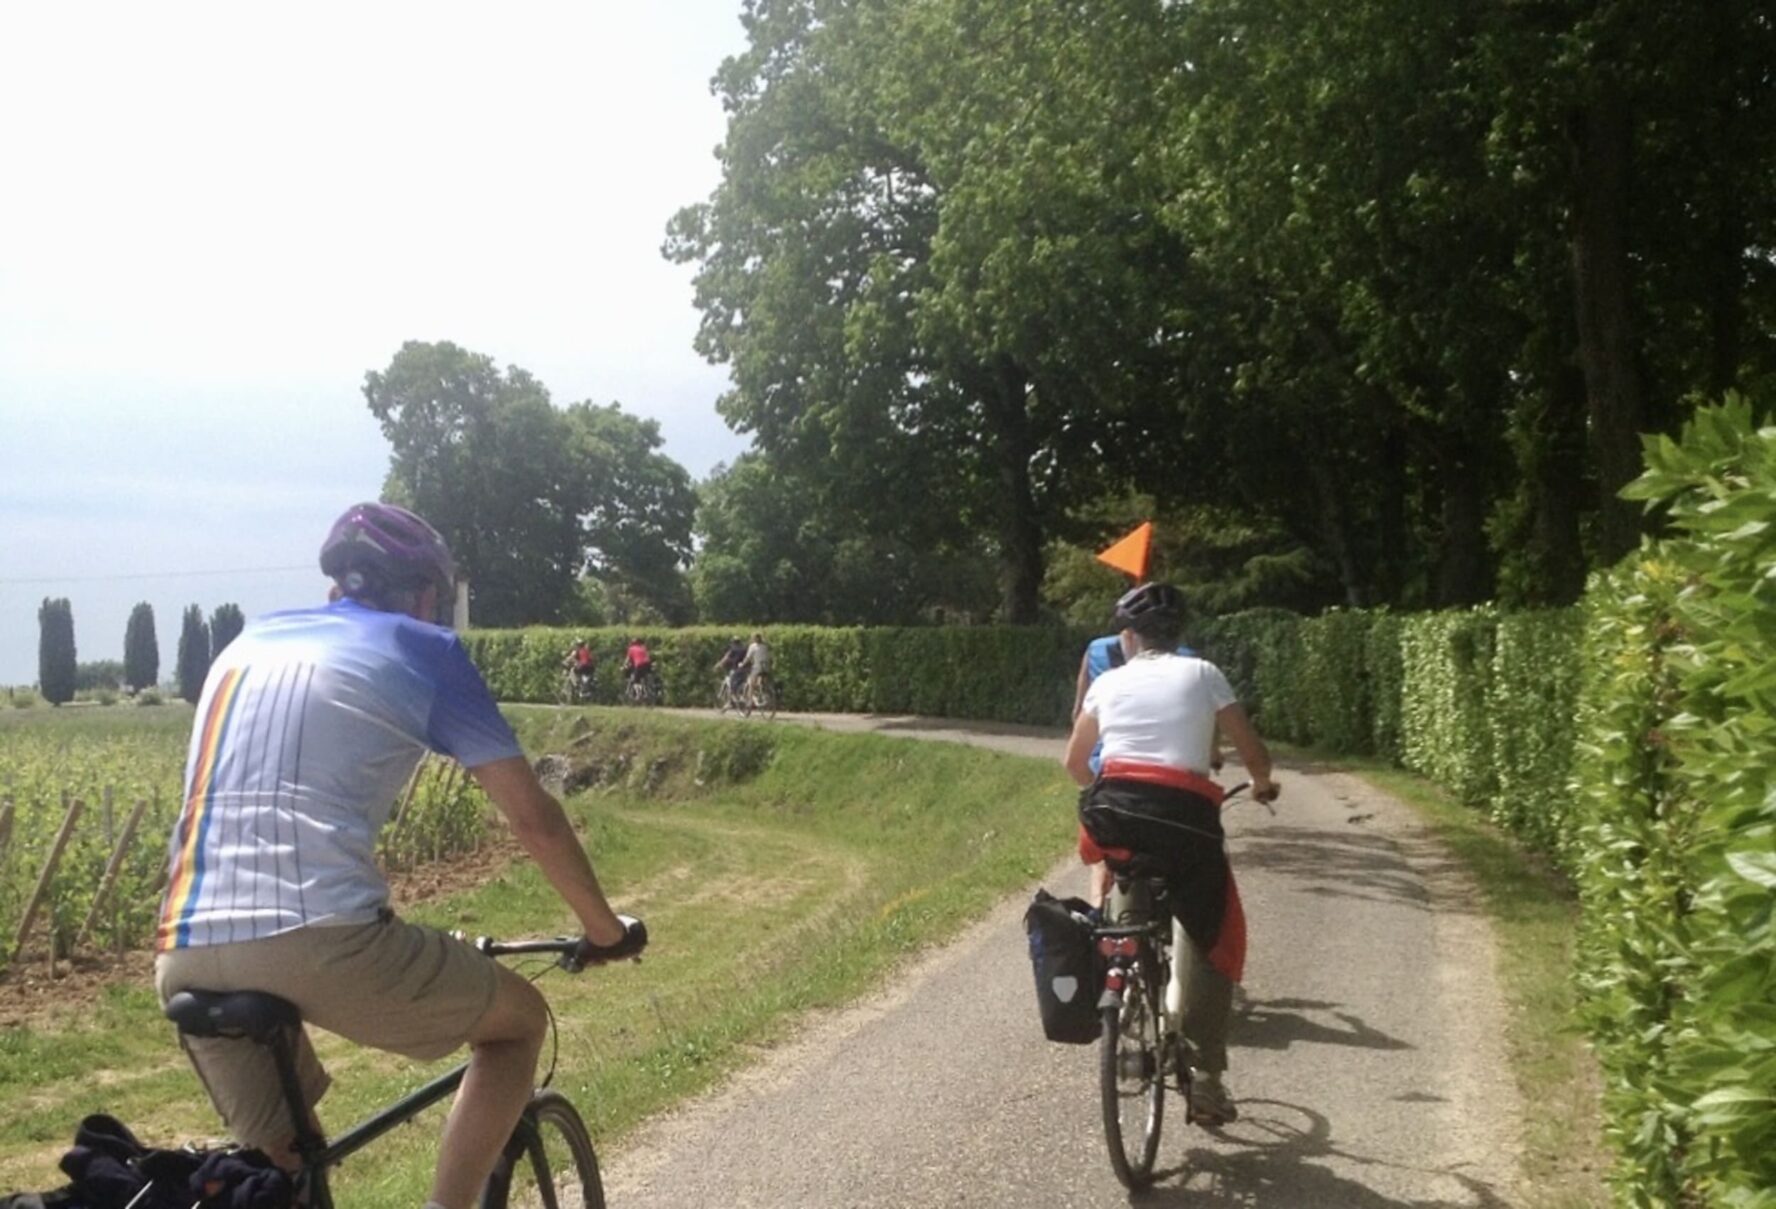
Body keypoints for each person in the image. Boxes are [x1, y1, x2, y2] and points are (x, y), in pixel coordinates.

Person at [153, 502, 642, 1209]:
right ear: (423, 597)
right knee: (519, 1022)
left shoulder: (241, 645)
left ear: (334, 591)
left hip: (183, 948)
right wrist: (605, 931)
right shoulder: (422, 649)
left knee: (285, 1171)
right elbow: (536, 820)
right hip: (317, 938)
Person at [1062, 581, 1277, 1128]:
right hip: (1185, 823)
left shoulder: (1107, 682)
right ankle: (1206, 1078)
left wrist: (1105, 785)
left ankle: (1119, 975)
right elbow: (1249, 749)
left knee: (1120, 884)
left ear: (1129, 637)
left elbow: (1075, 764)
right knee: (1212, 934)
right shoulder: (1202, 673)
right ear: (1178, 636)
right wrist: (1261, 782)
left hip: (1117, 815)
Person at [1071, 623, 1216, 908]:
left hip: (1107, 769)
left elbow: (1077, 713)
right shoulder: (1190, 660)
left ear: (1128, 632)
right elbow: (1204, 718)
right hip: (1171, 777)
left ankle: (1098, 909)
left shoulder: (1096, 649)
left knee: (1103, 845)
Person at [741, 630, 772, 698]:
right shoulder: (765, 646)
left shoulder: (753, 646)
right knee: (763, 680)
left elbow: (748, 657)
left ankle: (749, 702)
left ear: (754, 638)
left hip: (758, 666)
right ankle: (765, 692)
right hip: (766, 666)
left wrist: (742, 664)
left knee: (752, 684)